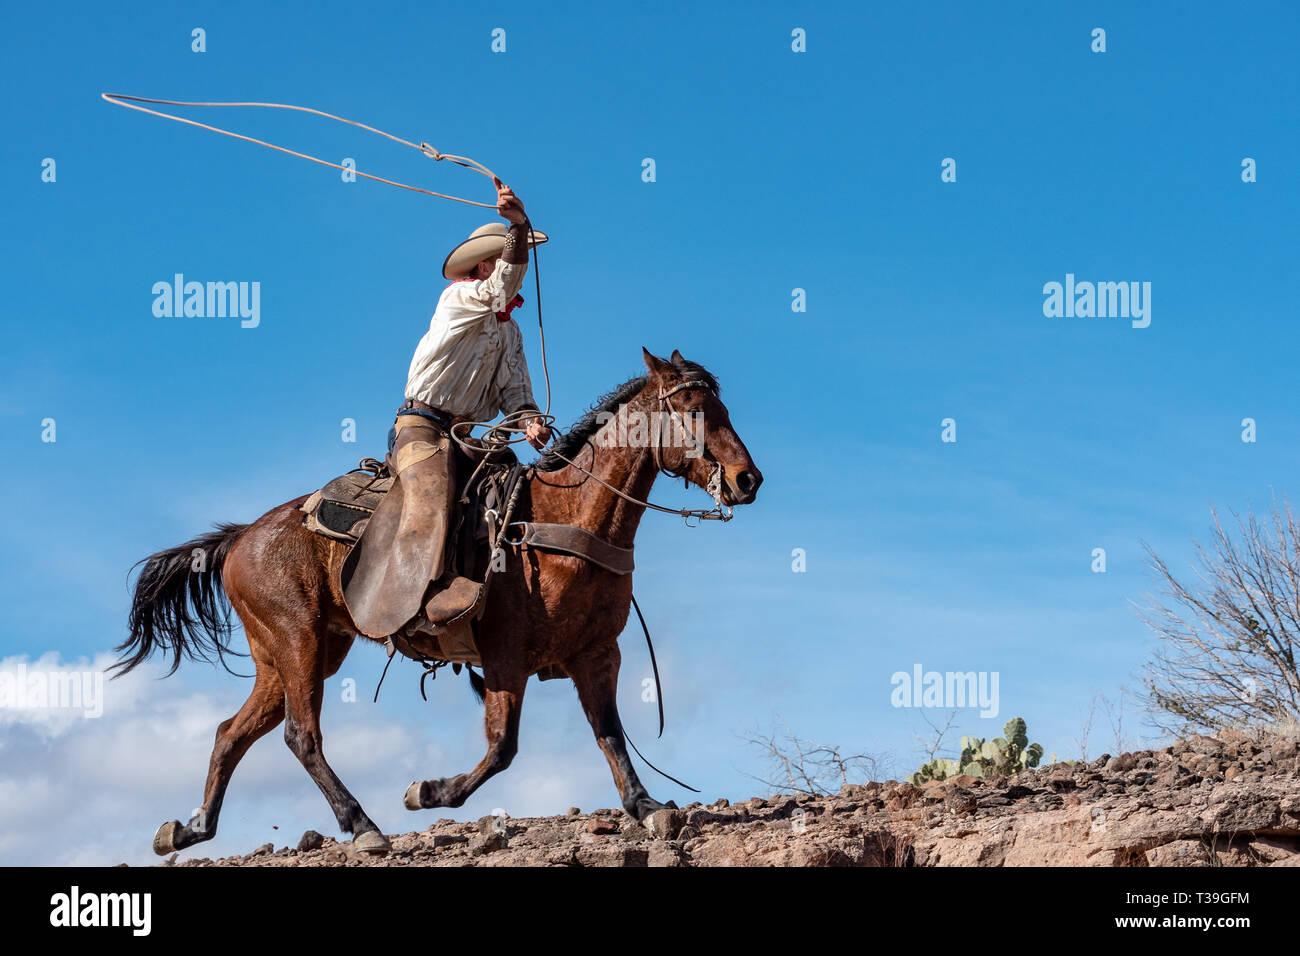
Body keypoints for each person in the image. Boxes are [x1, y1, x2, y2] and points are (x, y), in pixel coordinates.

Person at [342, 179, 551, 639]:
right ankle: (428, 592)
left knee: (518, 490)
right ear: (483, 265)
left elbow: (515, 394)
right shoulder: (459, 298)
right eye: (503, 257)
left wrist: (530, 419)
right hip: (421, 426)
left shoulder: (509, 334)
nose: (514, 268)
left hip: (464, 435)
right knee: (432, 494)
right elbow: (501, 289)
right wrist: (516, 227)